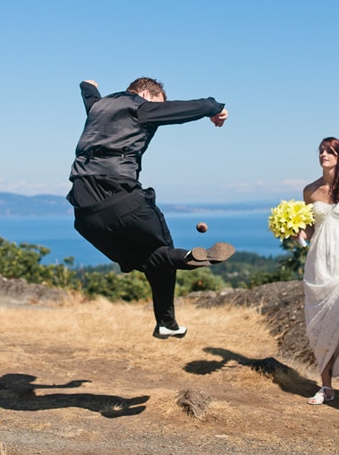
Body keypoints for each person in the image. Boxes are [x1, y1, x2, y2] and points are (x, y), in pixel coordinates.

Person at [67, 77, 235, 340]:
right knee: (162, 250)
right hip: (124, 201)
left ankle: (176, 286)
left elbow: (90, 98)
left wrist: (87, 85)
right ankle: (174, 290)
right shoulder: (139, 106)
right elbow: (182, 110)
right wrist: (215, 107)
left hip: (85, 216)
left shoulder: (99, 108)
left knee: (146, 260)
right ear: (146, 94)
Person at [297, 137, 339, 405]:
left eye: (329, 151)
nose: (323, 155)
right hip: (318, 264)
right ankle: (326, 387)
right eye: (320, 151)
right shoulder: (310, 191)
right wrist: (297, 232)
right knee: (319, 327)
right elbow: (309, 229)